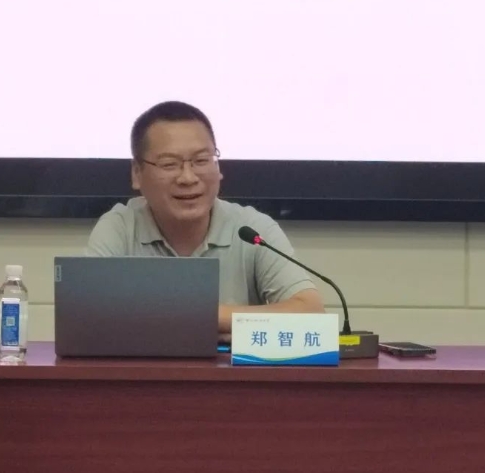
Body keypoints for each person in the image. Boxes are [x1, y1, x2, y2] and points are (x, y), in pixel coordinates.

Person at [85, 100, 325, 336]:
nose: (188, 178)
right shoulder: (119, 227)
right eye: (169, 164)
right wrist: (227, 323)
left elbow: (311, 312)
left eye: (201, 160)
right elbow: (86, 314)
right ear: (137, 173)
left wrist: (205, 317)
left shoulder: (251, 229)